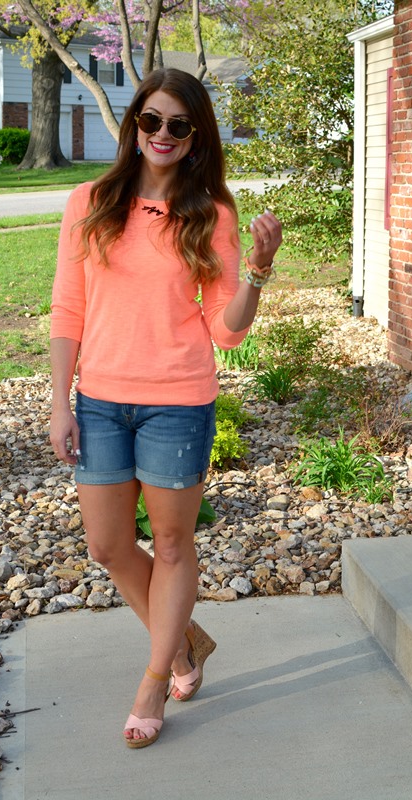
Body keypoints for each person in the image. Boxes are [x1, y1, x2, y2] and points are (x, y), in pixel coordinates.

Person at [49, 67, 282, 749]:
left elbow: (226, 330)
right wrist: (58, 402)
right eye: (151, 120)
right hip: (98, 401)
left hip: (177, 402)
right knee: (108, 545)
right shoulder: (88, 202)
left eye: (179, 125)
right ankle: (188, 637)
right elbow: (67, 310)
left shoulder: (212, 215)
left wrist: (260, 274)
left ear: (195, 136)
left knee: (174, 543)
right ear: (134, 125)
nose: (162, 134)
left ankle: (158, 675)